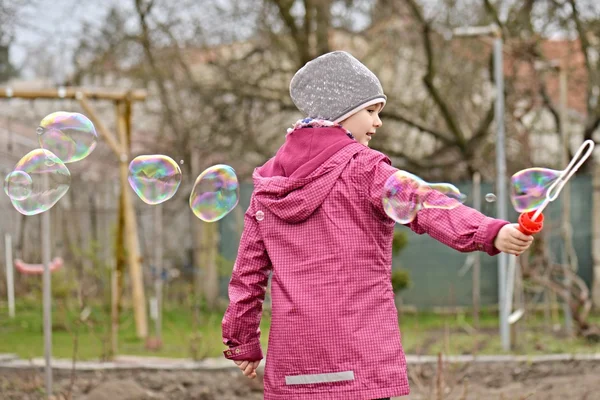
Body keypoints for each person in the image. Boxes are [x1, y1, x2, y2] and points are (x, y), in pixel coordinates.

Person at [221, 51, 533, 400]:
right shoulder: (364, 169)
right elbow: (426, 204)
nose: (378, 121)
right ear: (340, 113)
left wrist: (241, 340)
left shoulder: (268, 185)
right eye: (371, 110)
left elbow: (247, 274)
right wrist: (490, 231)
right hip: (360, 356)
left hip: (295, 364)